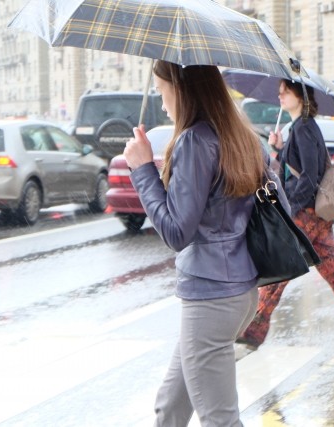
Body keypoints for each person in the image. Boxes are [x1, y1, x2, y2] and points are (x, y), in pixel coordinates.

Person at [123, 60, 286, 426]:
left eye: (163, 91)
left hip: (211, 296)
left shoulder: (196, 140)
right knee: (171, 406)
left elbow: (176, 232)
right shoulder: (243, 137)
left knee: (219, 419)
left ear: (180, 89)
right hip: (239, 291)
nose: (163, 104)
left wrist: (143, 169)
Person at [236, 79, 334, 357]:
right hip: (314, 216)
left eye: (286, 90)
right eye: (280, 90)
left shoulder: (305, 128)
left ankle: (251, 332)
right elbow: (301, 168)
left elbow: (309, 176)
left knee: (278, 269)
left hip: (305, 214)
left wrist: (289, 210)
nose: (280, 94)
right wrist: (281, 149)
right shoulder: (301, 128)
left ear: (300, 96)